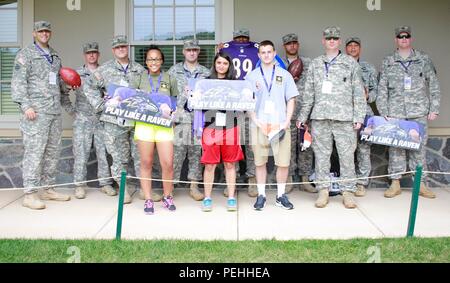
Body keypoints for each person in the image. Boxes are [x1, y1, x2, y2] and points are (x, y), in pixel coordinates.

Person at [85, 35, 160, 204]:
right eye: (118, 47)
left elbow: (148, 90)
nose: (121, 49)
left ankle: (144, 190)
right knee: (119, 157)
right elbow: (88, 87)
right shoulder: (104, 70)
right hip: (114, 122)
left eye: (124, 46)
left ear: (128, 48)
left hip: (136, 121)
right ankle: (123, 190)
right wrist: (100, 105)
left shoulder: (140, 69)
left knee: (141, 156)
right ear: (113, 50)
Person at [297, 26, 366, 209]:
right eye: (328, 39)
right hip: (320, 117)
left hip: (344, 118)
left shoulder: (350, 63)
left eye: (335, 38)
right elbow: (308, 92)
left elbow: (358, 93)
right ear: (323, 41)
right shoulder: (316, 63)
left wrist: (359, 116)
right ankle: (323, 191)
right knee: (321, 155)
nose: (332, 41)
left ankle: (348, 192)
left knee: (346, 156)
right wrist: (303, 116)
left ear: (339, 41)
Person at [11, 21, 74, 210]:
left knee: (52, 153)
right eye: (41, 31)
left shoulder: (54, 56)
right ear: (34, 33)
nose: (44, 34)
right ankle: (30, 194)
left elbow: (58, 83)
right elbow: (18, 83)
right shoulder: (25, 55)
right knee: (34, 153)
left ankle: (48, 189)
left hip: (54, 112)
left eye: (47, 31)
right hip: (35, 113)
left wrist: (68, 87)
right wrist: (26, 106)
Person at [377, 26, 441, 199]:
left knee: (418, 149)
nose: (403, 39)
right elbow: (382, 88)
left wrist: (434, 108)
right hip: (395, 112)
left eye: (407, 36)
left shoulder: (423, 59)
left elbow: (433, 84)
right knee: (396, 149)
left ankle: (420, 184)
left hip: (418, 112)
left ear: (411, 39)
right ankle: (395, 183)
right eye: (400, 36)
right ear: (395, 40)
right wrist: (384, 111)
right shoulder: (389, 61)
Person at [246, 40, 298, 211]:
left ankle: (280, 195)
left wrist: (286, 121)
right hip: (260, 124)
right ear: (259, 55)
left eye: (269, 52)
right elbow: (247, 102)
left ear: (274, 53)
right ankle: (261, 195)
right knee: (260, 162)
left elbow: (291, 99)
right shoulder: (252, 76)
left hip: (280, 124)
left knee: (283, 163)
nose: (266, 55)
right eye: (263, 52)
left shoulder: (285, 75)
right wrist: (255, 120)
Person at [135, 45, 178, 214]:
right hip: (144, 124)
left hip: (163, 126)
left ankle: (167, 197)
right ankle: (148, 199)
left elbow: (174, 101)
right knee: (146, 162)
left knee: (167, 163)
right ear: (146, 61)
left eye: (157, 59)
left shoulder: (169, 78)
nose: (154, 62)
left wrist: (172, 115)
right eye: (150, 59)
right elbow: (131, 98)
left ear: (162, 61)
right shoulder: (138, 78)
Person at [200, 51, 244, 212]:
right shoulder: (205, 82)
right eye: (219, 63)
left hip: (230, 126)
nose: (221, 66)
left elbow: (244, 105)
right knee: (210, 165)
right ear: (215, 64)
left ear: (229, 65)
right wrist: (190, 94)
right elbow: (195, 105)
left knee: (230, 163)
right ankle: (207, 198)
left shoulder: (237, 84)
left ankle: (231, 197)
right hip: (211, 127)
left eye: (225, 63)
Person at [168, 39, 210, 201]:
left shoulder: (206, 73)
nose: (192, 52)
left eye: (194, 50)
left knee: (196, 154)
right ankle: (170, 185)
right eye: (188, 50)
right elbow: (169, 95)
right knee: (176, 154)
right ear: (183, 52)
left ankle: (194, 186)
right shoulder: (174, 71)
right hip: (180, 118)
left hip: (198, 119)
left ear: (198, 52)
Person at [218, 28, 259, 197]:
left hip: (250, 103)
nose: (241, 41)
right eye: (238, 38)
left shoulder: (258, 48)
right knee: (231, 143)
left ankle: (252, 179)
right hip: (231, 104)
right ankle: (231, 181)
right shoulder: (225, 48)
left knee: (250, 144)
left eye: (244, 38)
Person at [72, 42, 114, 199]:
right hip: (83, 119)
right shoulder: (77, 74)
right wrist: (71, 110)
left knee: (103, 153)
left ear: (98, 55)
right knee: (80, 153)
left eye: (94, 52)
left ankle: (105, 183)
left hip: (101, 118)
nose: (91, 55)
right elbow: (62, 91)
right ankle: (79, 185)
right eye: (88, 53)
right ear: (84, 55)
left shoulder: (105, 72)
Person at [281, 33, 316, 194]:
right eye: (289, 43)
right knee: (287, 148)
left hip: (304, 112)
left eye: (295, 43)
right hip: (285, 114)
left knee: (305, 147)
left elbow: (314, 86)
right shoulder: (278, 64)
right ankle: (288, 179)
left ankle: (304, 179)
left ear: (298, 44)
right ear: (284, 46)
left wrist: (308, 112)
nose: (292, 46)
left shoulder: (309, 63)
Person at [345, 37, 378, 197]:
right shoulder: (341, 66)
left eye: (355, 46)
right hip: (345, 114)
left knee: (364, 149)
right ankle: (347, 181)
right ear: (345, 49)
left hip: (365, 115)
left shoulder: (368, 68)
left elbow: (375, 91)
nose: (352, 48)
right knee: (346, 150)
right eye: (349, 46)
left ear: (360, 49)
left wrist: (366, 97)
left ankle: (361, 183)